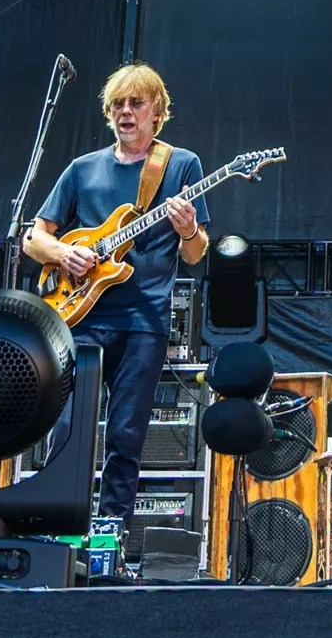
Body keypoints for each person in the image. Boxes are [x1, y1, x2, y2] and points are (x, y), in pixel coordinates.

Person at [20, 64, 207, 540]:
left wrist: (188, 230)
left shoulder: (181, 165)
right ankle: (59, 524)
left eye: (136, 103)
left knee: (126, 434)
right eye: (119, 105)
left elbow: (195, 252)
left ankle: (110, 535)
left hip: (144, 320)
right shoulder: (82, 169)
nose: (127, 112)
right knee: (67, 427)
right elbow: (32, 240)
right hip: (79, 318)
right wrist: (66, 252)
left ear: (157, 112)